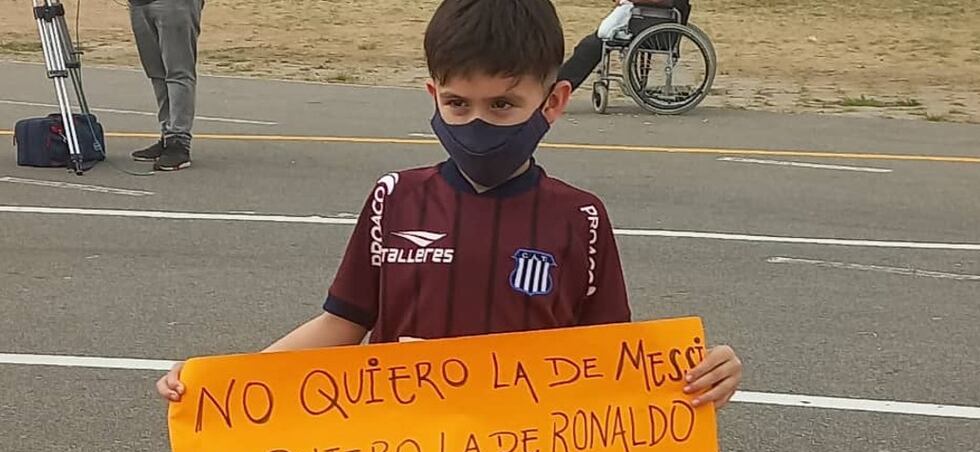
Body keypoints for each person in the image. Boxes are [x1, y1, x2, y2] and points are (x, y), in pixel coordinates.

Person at [157, 0, 741, 408]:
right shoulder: (396, 199)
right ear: (435, 96)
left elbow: (611, 366)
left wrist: (699, 378)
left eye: (504, 105)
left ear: (554, 101)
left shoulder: (579, 219)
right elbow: (343, 322)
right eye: (459, 104)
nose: (478, 124)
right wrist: (227, 382)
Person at [128, 0, 204, 171]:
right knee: (156, 71)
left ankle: (179, 141)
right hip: (140, 4)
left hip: (174, 4)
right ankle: (168, 133)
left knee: (178, 71)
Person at [558, 0, 692, 92]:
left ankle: (560, 86)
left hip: (650, 24)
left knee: (591, 46)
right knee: (589, 45)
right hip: (647, 21)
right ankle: (560, 84)